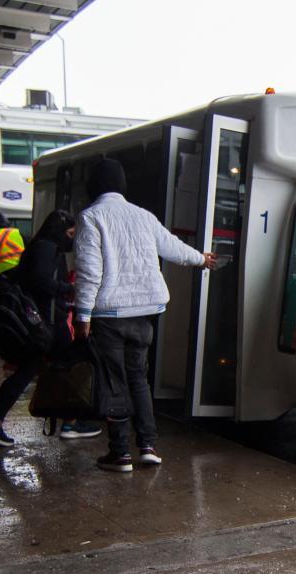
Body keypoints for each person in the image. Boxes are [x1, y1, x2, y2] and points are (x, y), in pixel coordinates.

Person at [74, 158, 217, 472]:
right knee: (139, 379)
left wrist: (82, 315)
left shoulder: (91, 217)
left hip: (109, 315)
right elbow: (172, 247)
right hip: (146, 313)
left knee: (115, 382)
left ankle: (120, 452)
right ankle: (148, 446)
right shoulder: (143, 216)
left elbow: (88, 272)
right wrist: (200, 259)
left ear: (93, 185)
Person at [0, 210, 100, 446]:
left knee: (28, 372)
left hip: (40, 323)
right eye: (70, 233)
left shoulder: (40, 246)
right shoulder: (46, 247)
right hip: (47, 324)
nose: (71, 238)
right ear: (59, 230)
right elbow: (40, 280)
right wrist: (68, 288)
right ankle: (70, 424)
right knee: (68, 368)